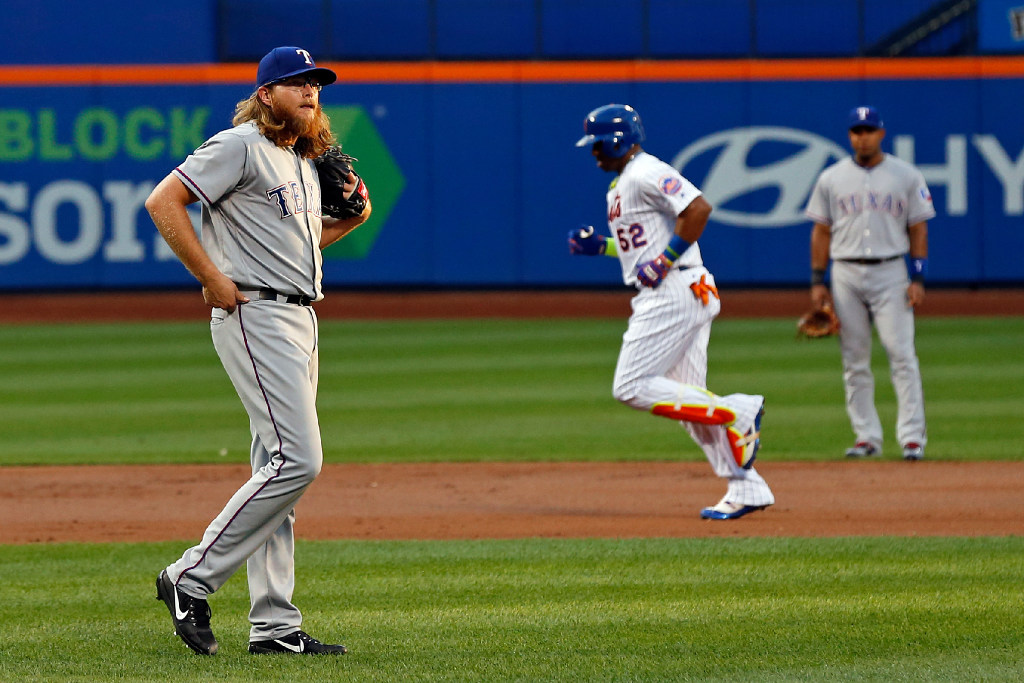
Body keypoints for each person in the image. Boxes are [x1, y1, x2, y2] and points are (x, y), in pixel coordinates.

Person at [145, 46, 371, 656]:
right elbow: (163, 201)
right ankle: (189, 577)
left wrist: (353, 219)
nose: (310, 93)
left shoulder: (297, 160)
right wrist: (213, 277)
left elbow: (304, 241)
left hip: (300, 314)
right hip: (257, 314)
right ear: (267, 94)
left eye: (315, 85)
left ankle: (274, 627)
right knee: (299, 460)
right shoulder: (239, 144)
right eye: (296, 84)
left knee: (277, 471)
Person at [568, 104, 774, 521]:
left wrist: (664, 261)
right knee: (690, 405)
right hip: (680, 288)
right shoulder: (623, 184)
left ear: (618, 139)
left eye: (597, 143)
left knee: (630, 386)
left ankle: (739, 409)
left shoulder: (645, 171)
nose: (593, 152)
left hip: (672, 290)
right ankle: (746, 487)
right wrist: (600, 247)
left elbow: (697, 209)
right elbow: (639, 251)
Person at [804, 106, 933, 461]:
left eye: (869, 130)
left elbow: (918, 227)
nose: (863, 136)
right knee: (854, 359)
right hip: (845, 273)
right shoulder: (831, 178)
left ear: (881, 133)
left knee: (902, 354)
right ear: (850, 135)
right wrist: (818, 280)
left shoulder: (906, 176)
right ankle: (867, 438)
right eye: (857, 131)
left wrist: (918, 276)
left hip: (892, 271)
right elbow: (821, 230)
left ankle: (911, 438)